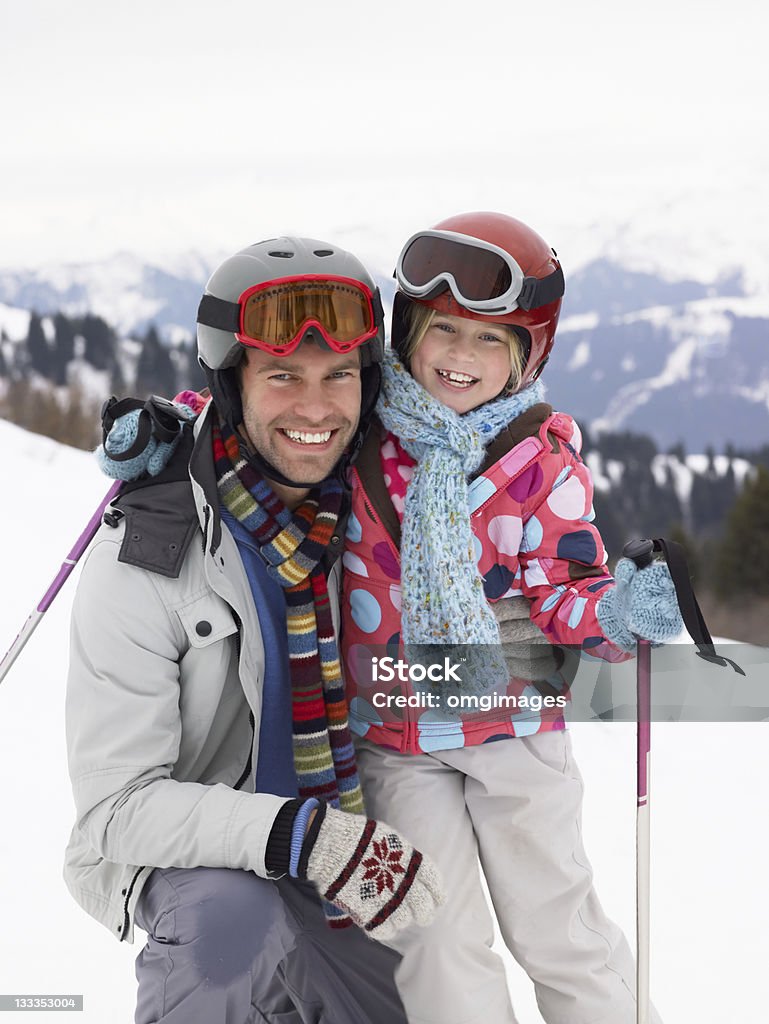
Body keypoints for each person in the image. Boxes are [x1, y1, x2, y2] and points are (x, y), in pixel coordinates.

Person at [64, 236, 444, 1024]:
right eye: (282, 377)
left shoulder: (386, 515)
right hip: (209, 861)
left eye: (339, 375)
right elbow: (117, 808)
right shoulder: (150, 554)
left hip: (344, 855)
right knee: (230, 927)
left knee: (430, 988)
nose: (317, 408)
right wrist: (300, 834)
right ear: (231, 385)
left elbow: (468, 666)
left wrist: (594, 623)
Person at [340, 212, 683, 1024]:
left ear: (529, 352)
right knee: (430, 931)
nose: (461, 357)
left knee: (555, 928)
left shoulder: (538, 461)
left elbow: (564, 592)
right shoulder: (358, 434)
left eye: (491, 341)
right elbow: (277, 440)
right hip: (395, 738)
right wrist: (183, 444)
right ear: (407, 331)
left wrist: (619, 612)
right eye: (444, 330)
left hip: (514, 734)